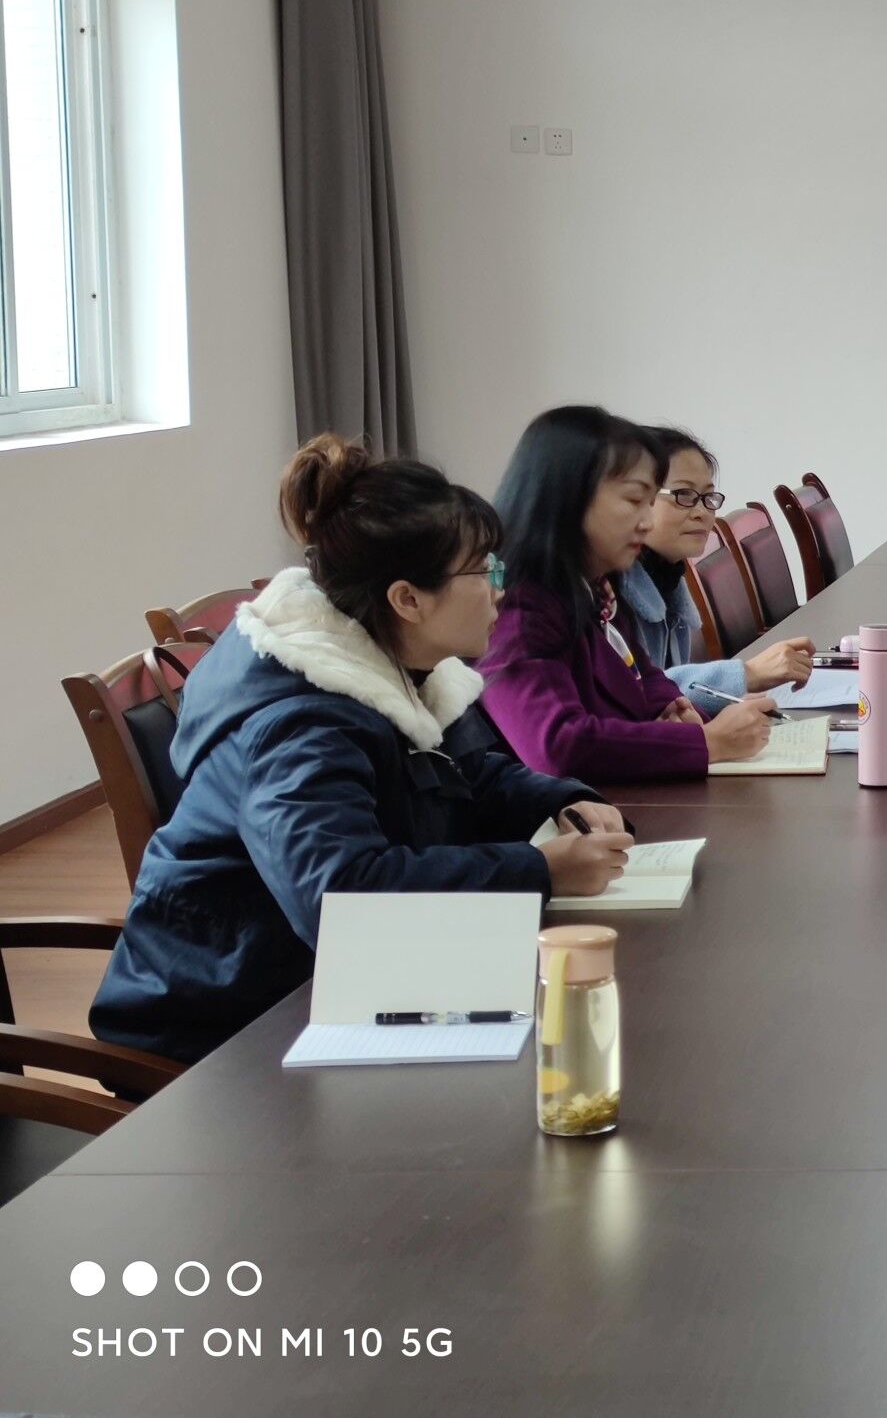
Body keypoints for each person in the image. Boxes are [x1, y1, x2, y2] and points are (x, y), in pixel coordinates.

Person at [92, 438, 635, 1066]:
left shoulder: (401, 660)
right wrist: (537, 870)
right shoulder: (300, 723)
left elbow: (465, 773)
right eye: (484, 571)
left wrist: (562, 799)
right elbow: (341, 899)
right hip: (224, 1021)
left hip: (326, 980)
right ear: (407, 599)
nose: (500, 591)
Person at [481, 406, 773, 780]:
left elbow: (643, 673)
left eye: (650, 503)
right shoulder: (518, 608)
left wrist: (674, 706)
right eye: (635, 501)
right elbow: (558, 745)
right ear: (570, 496)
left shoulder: (597, 586)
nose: (647, 522)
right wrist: (708, 742)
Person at [625, 425, 816, 717]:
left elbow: (665, 697)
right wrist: (745, 674)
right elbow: (635, 698)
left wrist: (725, 698)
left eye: (708, 497)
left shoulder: (667, 578)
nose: (702, 512)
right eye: (683, 494)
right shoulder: (609, 595)